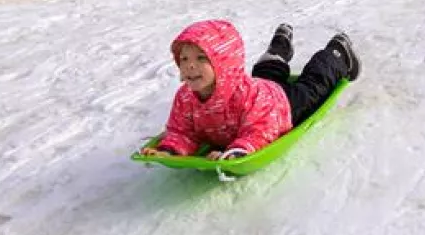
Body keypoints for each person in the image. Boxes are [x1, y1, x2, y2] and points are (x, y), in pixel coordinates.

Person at [138, 21, 360, 160]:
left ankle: (337, 52)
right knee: (265, 75)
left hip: (278, 106)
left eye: (201, 58)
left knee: (311, 87)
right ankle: (277, 50)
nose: (189, 65)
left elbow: (261, 130)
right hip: (260, 87)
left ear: (224, 64)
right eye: (184, 59)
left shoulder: (245, 97)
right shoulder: (185, 97)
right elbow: (182, 131)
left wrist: (237, 150)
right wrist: (169, 150)